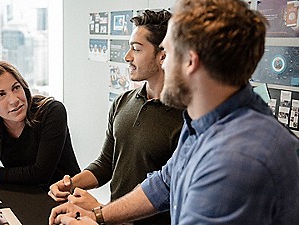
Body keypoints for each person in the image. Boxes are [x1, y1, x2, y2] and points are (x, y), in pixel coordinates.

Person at [49, 0, 299, 224]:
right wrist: (98, 215)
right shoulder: (202, 123)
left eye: (167, 53)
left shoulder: (237, 161)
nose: (163, 62)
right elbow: (163, 184)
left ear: (190, 61)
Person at [48, 10, 183, 225]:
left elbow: (172, 194)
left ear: (162, 55)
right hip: (109, 218)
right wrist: (72, 183)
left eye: (136, 49)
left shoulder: (187, 119)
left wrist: (99, 210)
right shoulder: (123, 102)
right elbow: (106, 163)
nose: (127, 56)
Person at [0, 61, 80, 186]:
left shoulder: (51, 111)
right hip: (24, 194)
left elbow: (40, 175)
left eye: (16, 88)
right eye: (1, 95)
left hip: (66, 197)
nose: (14, 100)